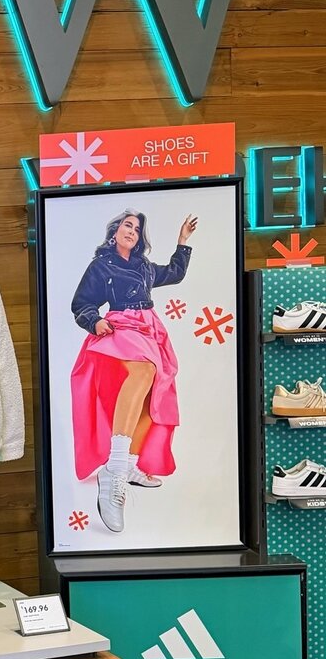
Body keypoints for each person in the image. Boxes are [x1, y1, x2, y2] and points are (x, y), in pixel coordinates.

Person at [69, 208, 197, 534]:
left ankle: (127, 464)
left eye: (137, 229)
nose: (132, 231)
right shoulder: (101, 265)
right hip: (120, 326)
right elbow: (81, 303)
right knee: (142, 371)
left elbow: (175, 273)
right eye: (127, 225)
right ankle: (114, 467)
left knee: (154, 397)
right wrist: (94, 321)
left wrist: (183, 242)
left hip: (149, 328)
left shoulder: (143, 266)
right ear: (115, 231)